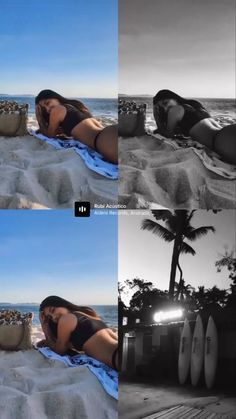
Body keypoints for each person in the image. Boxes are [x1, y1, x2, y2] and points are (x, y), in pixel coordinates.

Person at [153, 89, 236, 165]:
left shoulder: (175, 110)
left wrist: (156, 116)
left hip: (221, 140)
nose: (166, 108)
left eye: (165, 103)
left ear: (174, 98)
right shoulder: (196, 106)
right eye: (162, 108)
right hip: (226, 132)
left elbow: (168, 134)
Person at [35, 90, 118, 164]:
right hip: (108, 132)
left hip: (103, 140)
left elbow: (50, 135)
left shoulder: (57, 109)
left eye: (47, 103)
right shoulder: (77, 106)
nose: (48, 109)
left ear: (55, 97)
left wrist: (39, 118)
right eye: (43, 109)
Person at [38, 296, 118, 371]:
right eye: (50, 317)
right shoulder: (88, 314)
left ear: (61, 304)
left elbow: (59, 351)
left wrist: (44, 327)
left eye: (53, 310)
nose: (54, 317)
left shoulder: (66, 319)